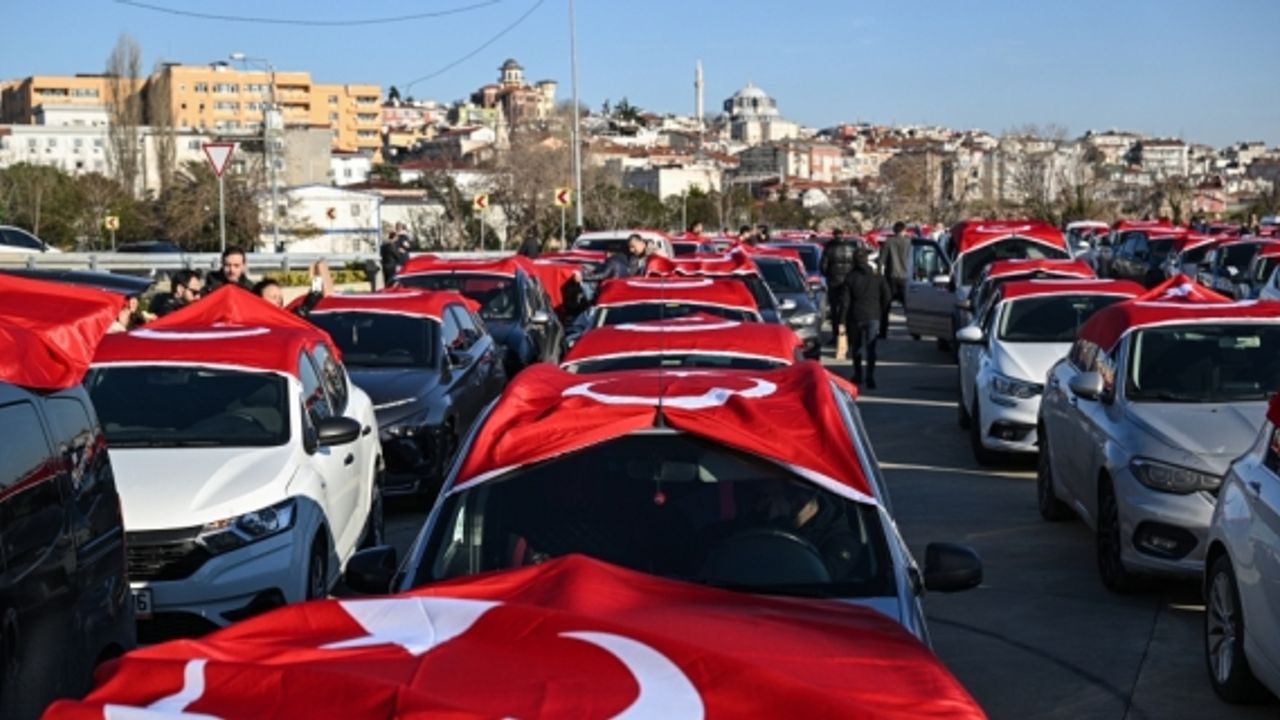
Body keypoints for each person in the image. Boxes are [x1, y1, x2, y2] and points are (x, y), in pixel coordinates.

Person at [842, 249, 892, 389]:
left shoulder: (850, 277)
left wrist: (842, 319)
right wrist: (881, 310)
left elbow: (845, 301)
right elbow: (887, 296)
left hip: (856, 315)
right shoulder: (877, 277)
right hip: (873, 315)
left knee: (857, 346)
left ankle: (858, 374)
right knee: (871, 347)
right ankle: (870, 375)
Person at [819, 228, 858, 359]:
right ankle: (849, 335)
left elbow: (823, 267)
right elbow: (856, 264)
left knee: (835, 310)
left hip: (834, 281)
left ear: (834, 235)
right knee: (847, 308)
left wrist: (829, 275)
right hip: (848, 281)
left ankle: (836, 335)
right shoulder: (851, 248)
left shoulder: (829, 248)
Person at [878, 221, 913, 339]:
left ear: (894, 230)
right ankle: (915, 331)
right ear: (904, 230)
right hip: (905, 277)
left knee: (885, 306)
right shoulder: (909, 242)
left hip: (891, 277)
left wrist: (879, 276)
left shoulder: (888, 242)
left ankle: (883, 331)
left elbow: (881, 261)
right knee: (908, 306)